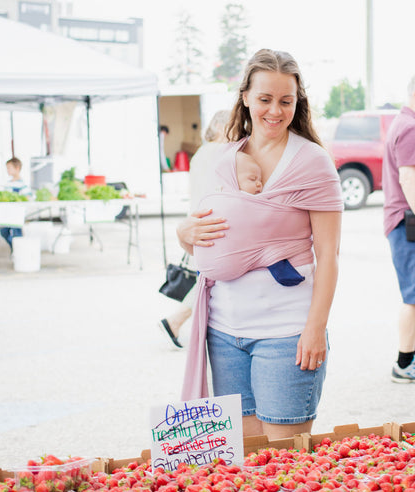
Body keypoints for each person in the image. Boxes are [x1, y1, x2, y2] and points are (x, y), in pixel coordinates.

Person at [176, 49, 343, 440]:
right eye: (265, 99)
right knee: (246, 461)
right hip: (223, 330)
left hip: (286, 331)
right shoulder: (224, 159)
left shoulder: (313, 163)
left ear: (297, 101)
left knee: (285, 461)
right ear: (245, 97)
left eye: (286, 101)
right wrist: (183, 235)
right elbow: (208, 233)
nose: (275, 111)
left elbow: (329, 256)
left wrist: (315, 329)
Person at [158, 110, 231, 349]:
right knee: (209, 283)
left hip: (197, 221)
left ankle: (177, 322)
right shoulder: (221, 152)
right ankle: (175, 321)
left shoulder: (200, 153)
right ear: (221, 127)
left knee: (207, 281)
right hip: (213, 223)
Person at [382, 75, 415, 383]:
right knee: (413, 296)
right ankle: (404, 364)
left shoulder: (403, 122)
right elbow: (409, 180)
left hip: (404, 222)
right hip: (407, 224)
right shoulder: (410, 128)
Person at [0, 157, 26, 251]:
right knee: (3, 231)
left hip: (16, 214)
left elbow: (27, 197)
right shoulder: (7, 184)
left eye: (9, 168)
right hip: (7, 214)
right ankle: (14, 248)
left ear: (17, 168)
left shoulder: (22, 184)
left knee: (17, 234)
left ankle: (18, 251)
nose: (7, 170)